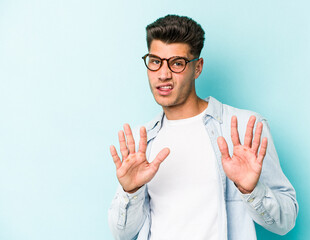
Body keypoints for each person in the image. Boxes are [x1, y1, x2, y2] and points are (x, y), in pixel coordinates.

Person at [108, 14, 298, 240]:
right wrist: (130, 191)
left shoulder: (244, 129)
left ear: (197, 68)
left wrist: (251, 190)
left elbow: (285, 223)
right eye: (155, 61)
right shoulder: (143, 142)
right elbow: (121, 234)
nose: (163, 74)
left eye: (177, 63)